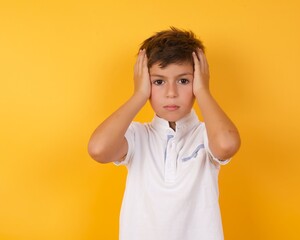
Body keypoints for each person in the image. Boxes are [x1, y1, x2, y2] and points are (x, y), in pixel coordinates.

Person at [88, 27, 241, 240]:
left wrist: (204, 91)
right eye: (158, 82)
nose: (171, 93)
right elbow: (98, 149)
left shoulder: (206, 135)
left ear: (198, 81)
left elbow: (226, 145)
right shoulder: (137, 136)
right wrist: (139, 94)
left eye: (183, 81)